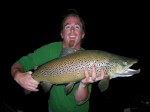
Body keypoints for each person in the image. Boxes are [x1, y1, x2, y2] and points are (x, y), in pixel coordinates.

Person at [11, 9, 105, 112]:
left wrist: (84, 84)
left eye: (77, 27)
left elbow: (80, 100)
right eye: (68, 26)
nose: (72, 30)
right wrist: (18, 76)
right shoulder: (50, 49)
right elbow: (18, 64)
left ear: (83, 34)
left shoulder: (90, 58)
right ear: (61, 34)